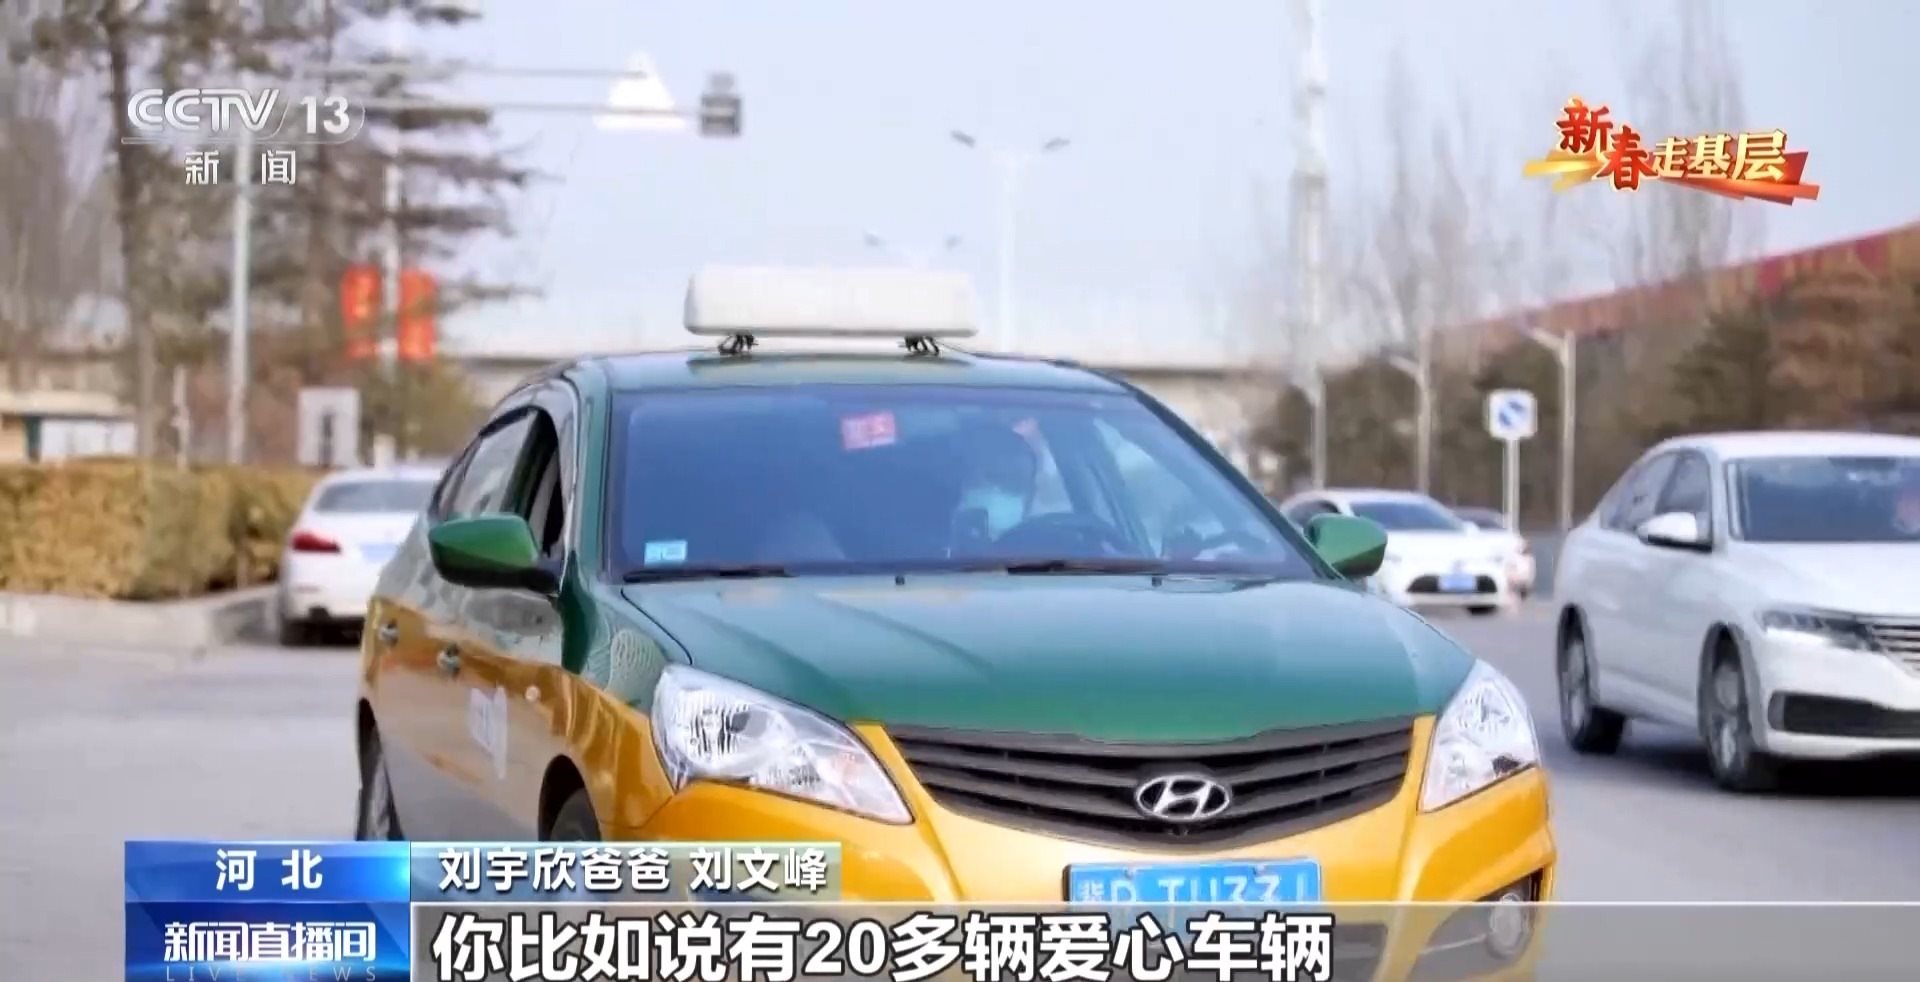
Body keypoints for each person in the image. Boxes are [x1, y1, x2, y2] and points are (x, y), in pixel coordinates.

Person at [950, 420, 1040, 551]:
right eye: (993, 476)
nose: (996, 489)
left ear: (1030, 496)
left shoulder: (1042, 551)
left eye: (1015, 483)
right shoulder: (928, 548)